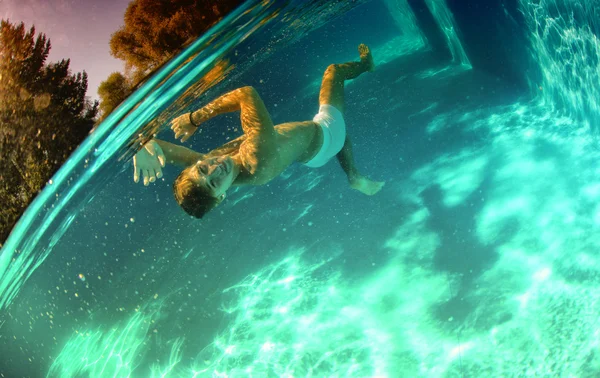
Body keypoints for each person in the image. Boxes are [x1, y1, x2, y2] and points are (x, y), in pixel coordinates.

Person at [133, 44, 384, 218]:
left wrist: (141, 146)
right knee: (334, 72)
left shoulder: (214, 165)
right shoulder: (256, 159)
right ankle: (367, 65)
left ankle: (354, 177)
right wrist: (194, 118)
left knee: (341, 143)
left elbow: (164, 151)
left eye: (201, 168)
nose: (213, 169)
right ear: (221, 198)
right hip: (327, 131)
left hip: (313, 156)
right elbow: (246, 93)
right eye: (212, 183)